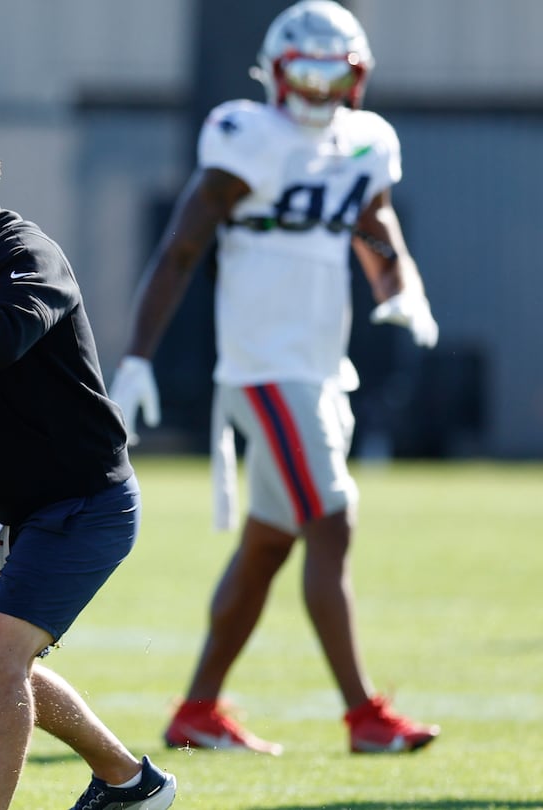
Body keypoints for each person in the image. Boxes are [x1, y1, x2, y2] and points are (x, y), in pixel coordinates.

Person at [108, 0, 441, 756]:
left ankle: (197, 711)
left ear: (354, 79)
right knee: (333, 518)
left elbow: (373, 217)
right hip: (265, 367)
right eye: (308, 75)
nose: (319, 94)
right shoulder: (244, 137)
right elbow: (181, 247)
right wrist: (137, 356)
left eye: (334, 77)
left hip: (324, 368)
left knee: (268, 543)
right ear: (277, 74)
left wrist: (400, 287)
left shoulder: (366, 142)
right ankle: (365, 717)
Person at [0, 116, 177, 810]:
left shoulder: (23, 248)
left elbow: (2, 337)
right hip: (2, 510)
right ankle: (129, 782)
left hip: (82, 502)